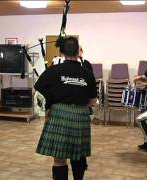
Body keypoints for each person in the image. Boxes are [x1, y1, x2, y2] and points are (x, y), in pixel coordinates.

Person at [35, 36, 97, 180]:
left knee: (59, 159)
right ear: (78, 52)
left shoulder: (53, 70)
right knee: (78, 156)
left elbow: (38, 87)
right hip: (80, 116)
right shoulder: (87, 74)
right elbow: (93, 100)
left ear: (62, 52)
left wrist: (51, 101)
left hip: (59, 115)